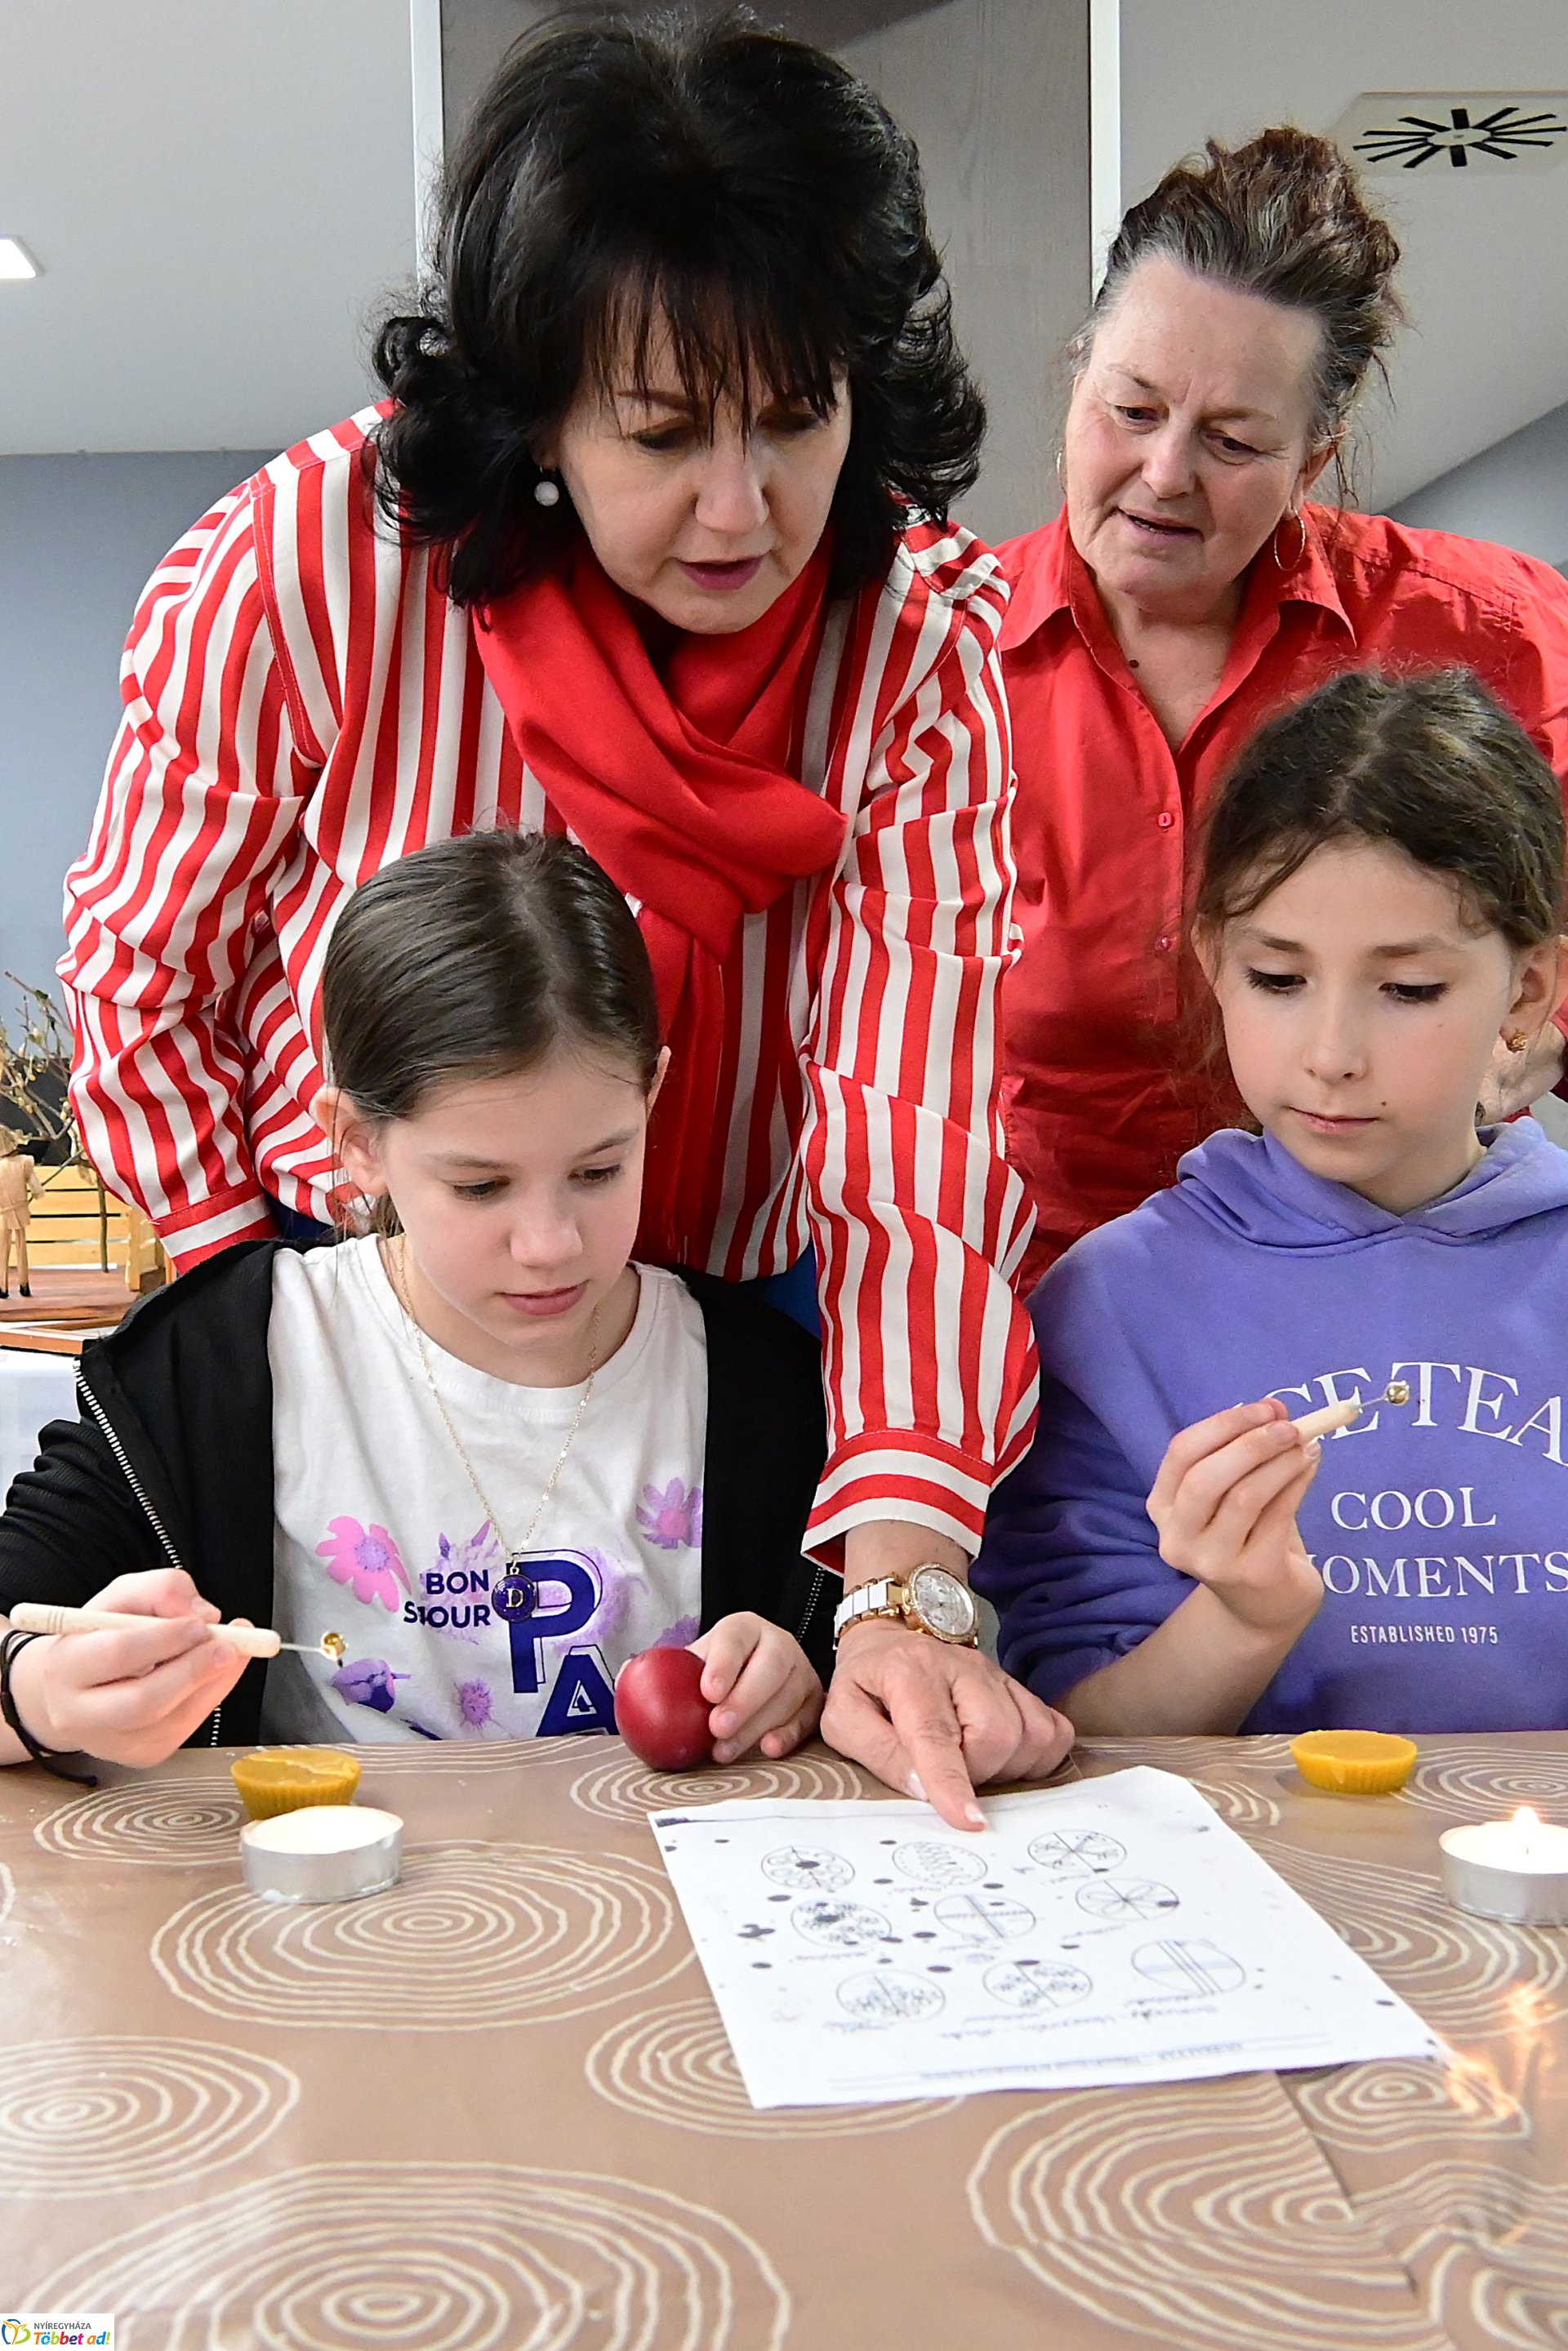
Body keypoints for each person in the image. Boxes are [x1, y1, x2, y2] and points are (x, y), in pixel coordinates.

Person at [57, 12, 1070, 1823]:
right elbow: (145, 977)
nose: (743, 506)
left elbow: (914, 1131)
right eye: (662, 432)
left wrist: (904, 1588)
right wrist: (279, 1346)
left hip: (744, 1323)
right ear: (537, 406)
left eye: (799, 416)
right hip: (357, 1266)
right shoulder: (311, 565)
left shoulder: (919, 645)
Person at [0, 830, 843, 1775]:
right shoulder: (224, 1362)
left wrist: (809, 1679)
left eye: (599, 1169)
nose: (550, 1243)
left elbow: (862, 1669)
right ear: (358, 1143)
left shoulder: (762, 1388)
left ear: (652, 1094)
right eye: (480, 1186)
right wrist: (36, 1693)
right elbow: (21, 1613)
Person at [1000, 127, 1568, 1288]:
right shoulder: (933, 654)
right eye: (1132, 409)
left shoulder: (1494, 632)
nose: (1166, 472)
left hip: (1400, 1290)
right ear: (1077, 376)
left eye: (1232, 440)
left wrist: (1534, 1037)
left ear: (1313, 461)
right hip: (1033, 1295)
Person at [975, 666, 1568, 1736]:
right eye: (1279, 980)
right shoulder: (1112, 1308)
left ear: (1528, 990)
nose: (1332, 1055)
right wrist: (1243, 1617)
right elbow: (1080, 1731)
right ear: (1214, 960)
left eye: (1410, 989)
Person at [0, 1133, 41, 1298]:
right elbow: (37, 1188)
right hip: (19, 1210)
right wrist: (35, 1194)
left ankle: (2, 1287)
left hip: (3, 1213)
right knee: (21, 1247)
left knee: (2, 1249)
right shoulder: (25, 1162)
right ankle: (24, 1285)